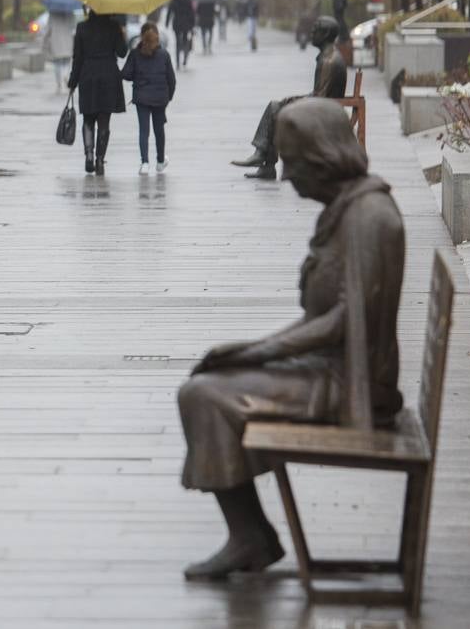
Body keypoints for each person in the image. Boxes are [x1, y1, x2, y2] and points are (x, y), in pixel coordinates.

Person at [177, 97, 404, 581]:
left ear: (324, 159)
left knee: (203, 394)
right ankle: (252, 535)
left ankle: (250, 537)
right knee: (215, 379)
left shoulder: (368, 218)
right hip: (330, 369)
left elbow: (345, 320)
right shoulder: (349, 208)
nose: (286, 178)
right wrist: (248, 351)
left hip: (349, 386)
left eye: (294, 164)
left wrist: (257, 351)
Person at [232, 16, 347, 180]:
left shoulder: (329, 60)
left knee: (275, 108)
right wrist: (293, 100)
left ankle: (263, 158)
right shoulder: (327, 56)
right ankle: (265, 162)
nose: (311, 32)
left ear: (326, 33)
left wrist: (294, 102)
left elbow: (319, 98)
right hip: (325, 106)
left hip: (323, 111)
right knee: (276, 106)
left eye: (315, 29)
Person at [67, 9, 127, 175]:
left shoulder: (81, 28)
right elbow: (122, 52)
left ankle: (89, 155)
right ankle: (100, 160)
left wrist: (73, 81)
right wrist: (122, 33)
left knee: (88, 117)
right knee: (104, 119)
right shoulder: (114, 27)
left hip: (88, 75)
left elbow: (77, 57)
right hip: (108, 74)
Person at [121, 23, 176, 176]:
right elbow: (172, 80)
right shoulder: (164, 55)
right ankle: (160, 161)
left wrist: (136, 76)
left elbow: (125, 74)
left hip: (142, 98)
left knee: (144, 130)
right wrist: (168, 97)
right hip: (160, 99)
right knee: (159, 130)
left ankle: (144, 163)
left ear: (141, 35)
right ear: (157, 36)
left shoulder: (135, 54)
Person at [42, 9, 76, 93]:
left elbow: (48, 29)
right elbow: (73, 27)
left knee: (57, 63)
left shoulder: (52, 14)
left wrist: (45, 41)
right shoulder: (70, 13)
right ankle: (65, 75)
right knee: (67, 62)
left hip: (56, 41)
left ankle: (59, 84)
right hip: (68, 41)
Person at [165, 0, 195, 68]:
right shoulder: (188, 0)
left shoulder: (174, 0)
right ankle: (185, 58)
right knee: (185, 41)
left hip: (177, 24)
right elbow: (192, 13)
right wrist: (192, 25)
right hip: (186, 24)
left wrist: (167, 23)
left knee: (177, 43)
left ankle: (178, 62)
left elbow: (169, 12)